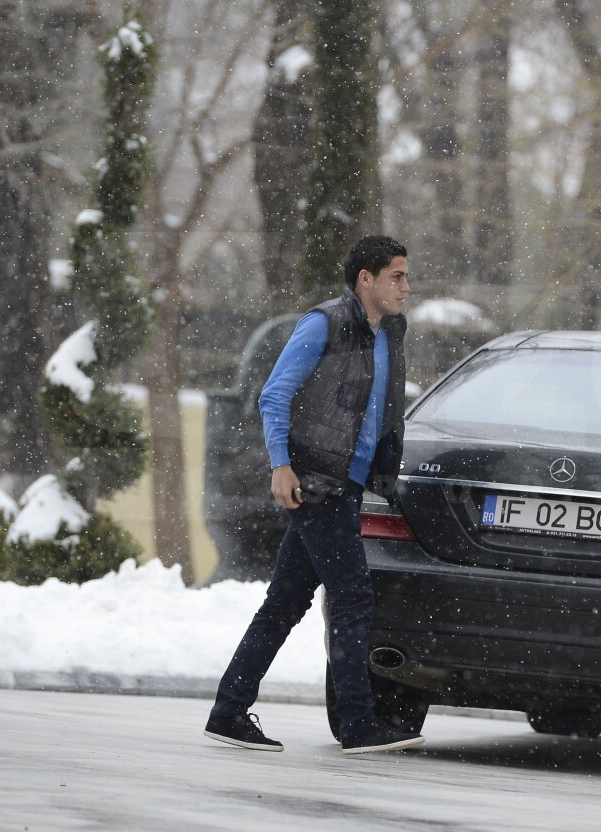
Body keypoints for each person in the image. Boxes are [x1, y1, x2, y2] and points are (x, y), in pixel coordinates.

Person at [203, 235, 422, 756]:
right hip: (318, 482)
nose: (406, 287)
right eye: (396, 275)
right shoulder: (323, 323)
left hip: (348, 483)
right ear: (364, 278)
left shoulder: (390, 331)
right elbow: (274, 394)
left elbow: (381, 410)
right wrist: (282, 466)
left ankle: (229, 710)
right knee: (351, 598)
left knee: (284, 602)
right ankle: (357, 722)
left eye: (406, 276)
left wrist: (384, 477)